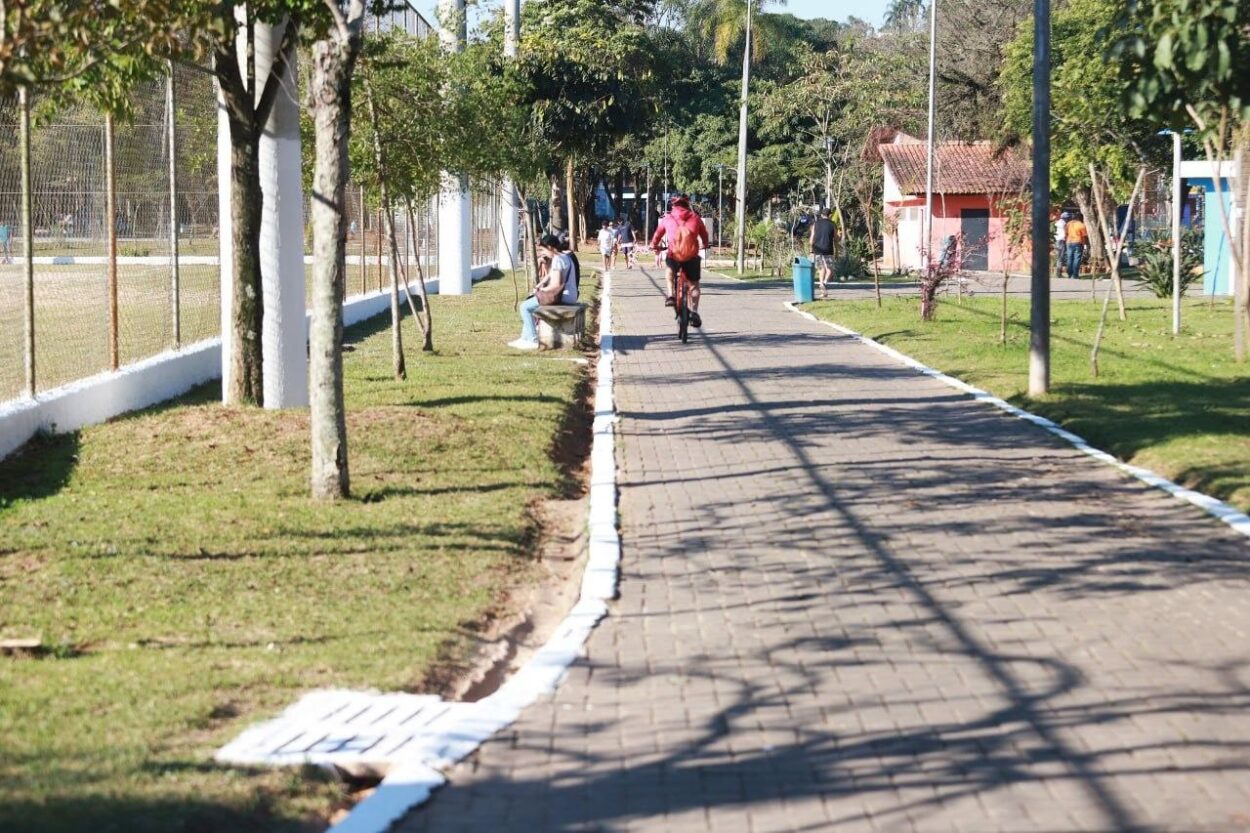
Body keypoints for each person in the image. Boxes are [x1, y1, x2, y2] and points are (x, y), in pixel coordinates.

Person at [650, 195, 710, 327]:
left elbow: (657, 235)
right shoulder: (695, 218)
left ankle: (671, 295)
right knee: (694, 285)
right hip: (692, 257)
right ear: (687, 205)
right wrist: (705, 244)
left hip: (674, 255)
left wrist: (654, 246)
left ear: (673, 206)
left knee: (670, 272)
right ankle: (694, 312)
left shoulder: (668, 218)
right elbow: (704, 234)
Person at [510, 234, 578, 350]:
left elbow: (556, 285)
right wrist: (540, 284)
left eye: (543, 249)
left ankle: (532, 339)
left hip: (563, 296)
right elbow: (552, 274)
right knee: (529, 305)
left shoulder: (557, 260)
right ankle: (524, 337)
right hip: (571, 295)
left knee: (524, 307)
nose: (542, 252)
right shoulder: (565, 257)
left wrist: (541, 290)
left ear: (550, 247)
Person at [809, 207, 838, 298]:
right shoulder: (833, 225)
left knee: (821, 269)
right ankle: (824, 283)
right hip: (828, 249)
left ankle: (822, 289)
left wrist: (811, 250)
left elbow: (811, 239)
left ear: (821, 215)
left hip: (817, 250)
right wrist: (841, 236)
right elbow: (836, 239)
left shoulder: (815, 224)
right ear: (830, 215)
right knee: (830, 270)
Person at [1065, 213, 1088, 279]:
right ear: (1079, 218)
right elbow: (1084, 236)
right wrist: (1084, 244)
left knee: (1069, 258)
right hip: (1078, 242)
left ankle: (1069, 274)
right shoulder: (1081, 225)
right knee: (1076, 258)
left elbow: (1066, 233)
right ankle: (1075, 275)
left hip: (1069, 242)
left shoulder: (1068, 224)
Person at [1054, 211, 1069, 277]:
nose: (1068, 219)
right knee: (1060, 257)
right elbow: (1065, 232)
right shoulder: (1064, 223)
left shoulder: (1057, 222)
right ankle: (1058, 273)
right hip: (1061, 240)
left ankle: (1058, 272)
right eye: (1067, 218)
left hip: (1057, 240)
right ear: (1065, 218)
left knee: (1058, 257)